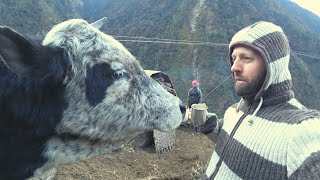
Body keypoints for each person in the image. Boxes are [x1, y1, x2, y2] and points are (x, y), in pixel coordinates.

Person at [204, 21, 320, 179]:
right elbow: (238, 139)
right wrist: (213, 128)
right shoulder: (234, 111)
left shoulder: (301, 129)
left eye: (246, 58)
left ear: (272, 65)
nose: (234, 67)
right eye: (234, 58)